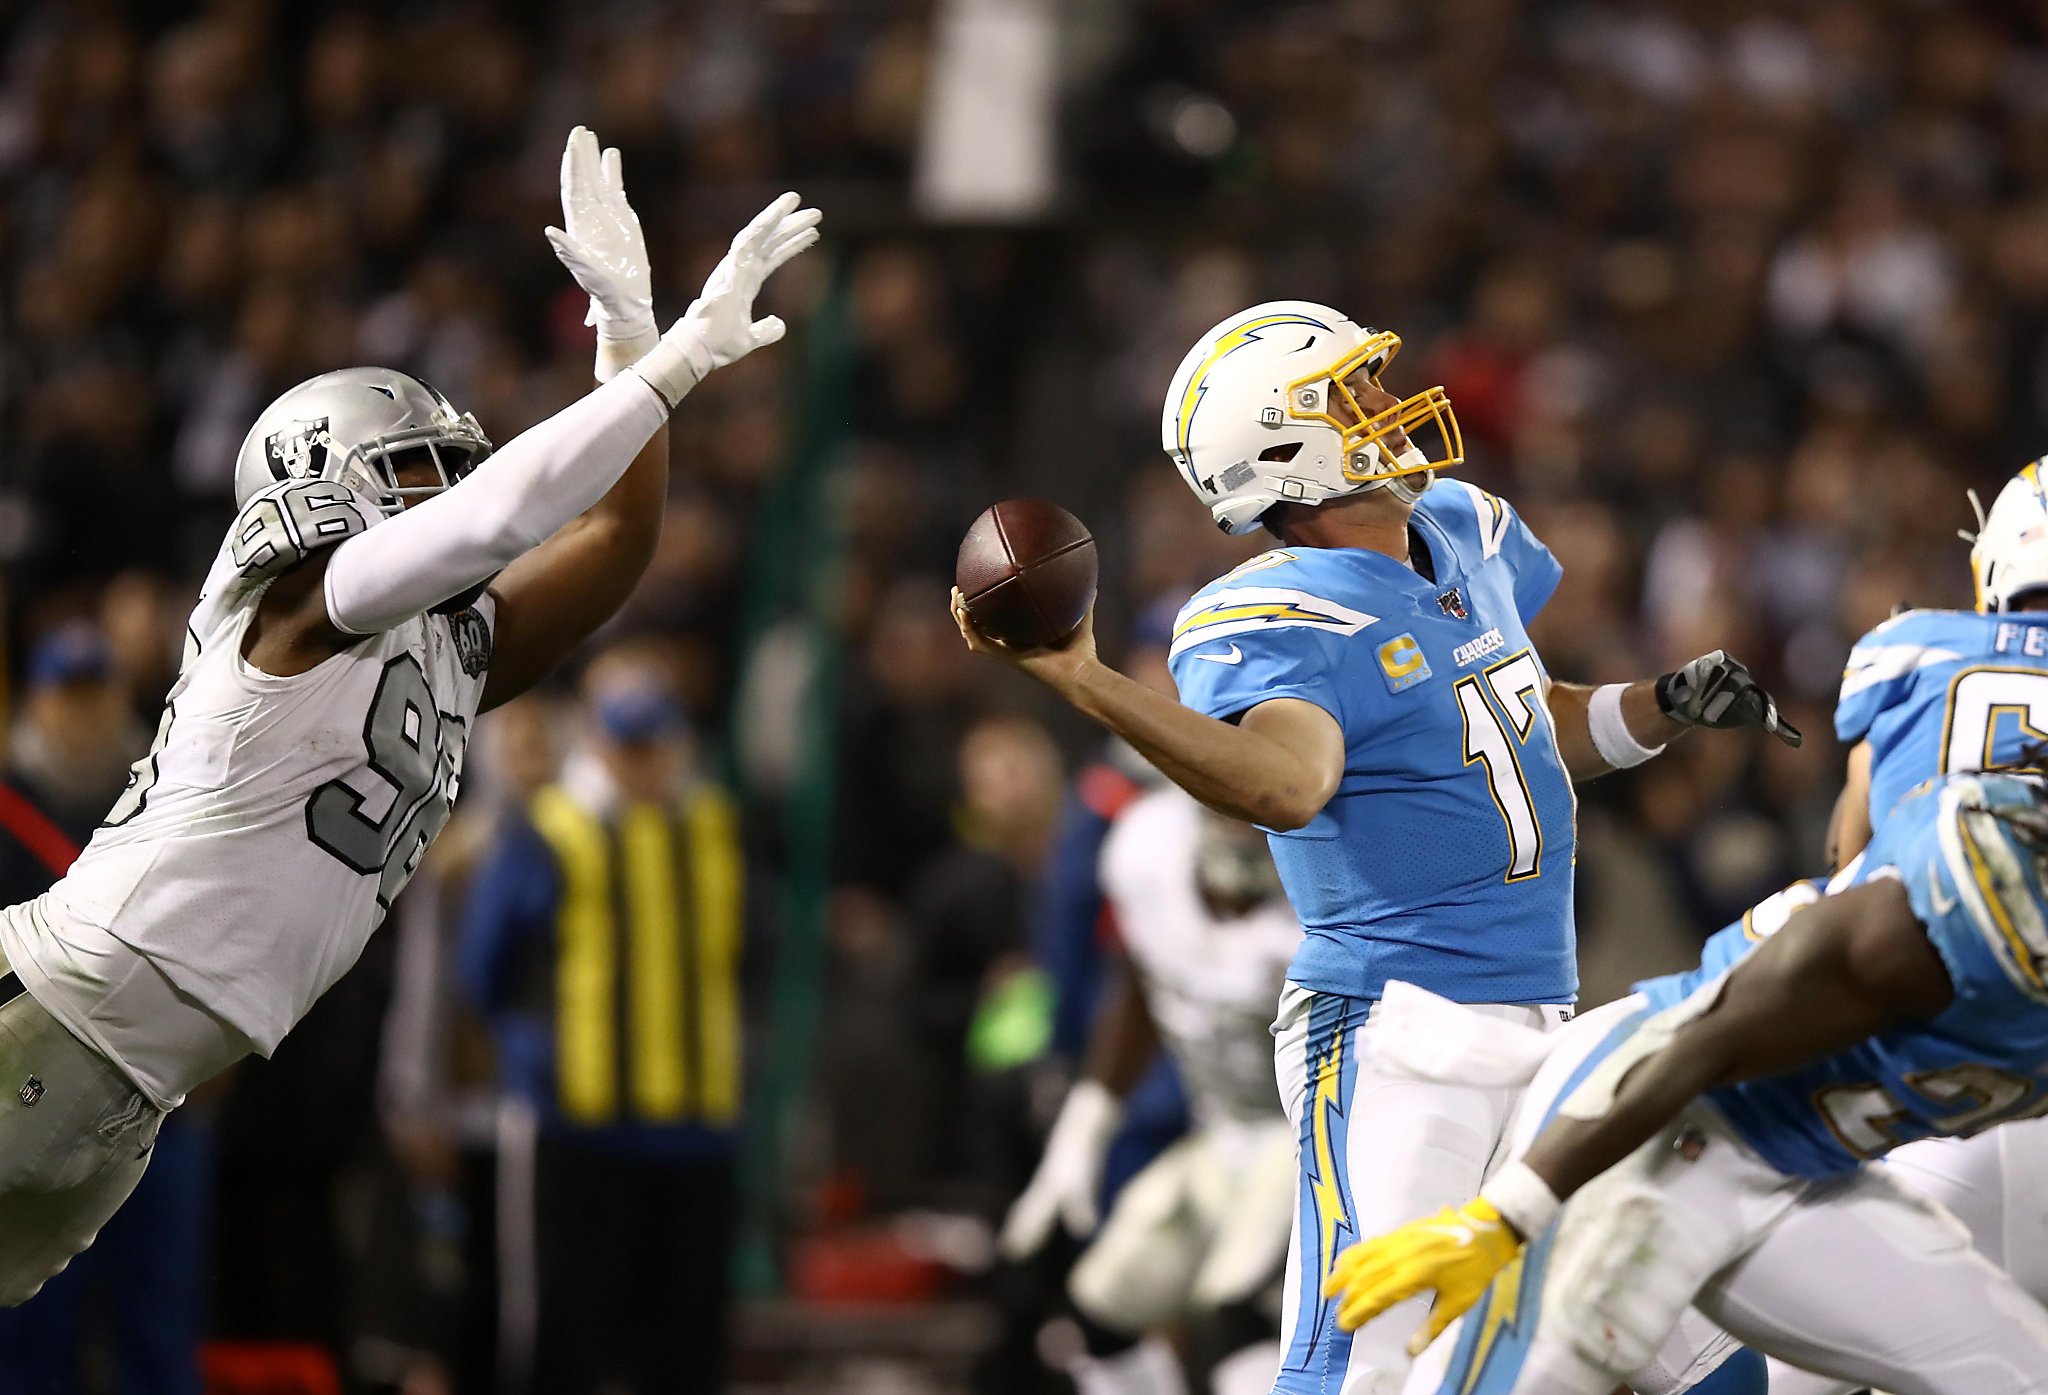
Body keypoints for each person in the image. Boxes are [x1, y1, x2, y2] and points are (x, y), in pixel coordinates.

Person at [0, 126, 818, 1304]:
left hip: (135, 1086)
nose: (441, 492)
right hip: (55, 1020)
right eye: (414, 473)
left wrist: (624, 333)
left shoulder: (445, 647)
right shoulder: (294, 605)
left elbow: (613, 537)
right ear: (320, 493)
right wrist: (676, 359)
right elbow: (496, 520)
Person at [953, 299, 1798, 1393]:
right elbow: (1288, 785)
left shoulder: (1456, 526)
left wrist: (1654, 708)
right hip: (1395, 1033)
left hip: (1539, 1017)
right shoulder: (1267, 608)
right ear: (1275, 450)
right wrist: (1083, 677)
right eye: (1341, 396)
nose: (1380, 406)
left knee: (1677, 1342)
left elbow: (1512, 727)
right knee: (1361, 1356)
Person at [1328, 769, 2048, 1394]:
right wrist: (1507, 1214)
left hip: (1807, 1167)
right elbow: (1698, 1037)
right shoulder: (1969, 909)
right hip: (1657, 1118)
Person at [459, 653, 744, 1395]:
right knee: (564, 1331)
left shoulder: (713, 827)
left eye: (657, 745)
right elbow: (483, 972)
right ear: (599, 746)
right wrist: (541, 1063)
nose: (645, 764)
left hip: (695, 1129)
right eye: (629, 746)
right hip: (576, 1129)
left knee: (687, 1340)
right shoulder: (549, 834)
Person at [1005, 787, 1300, 1395]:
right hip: (1220, 1133)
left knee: (1238, 1318)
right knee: (1099, 1313)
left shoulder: (1329, 902)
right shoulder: (1150, 844)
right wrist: (1087, 1122)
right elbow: (1141, 978)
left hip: (1310, 1139)